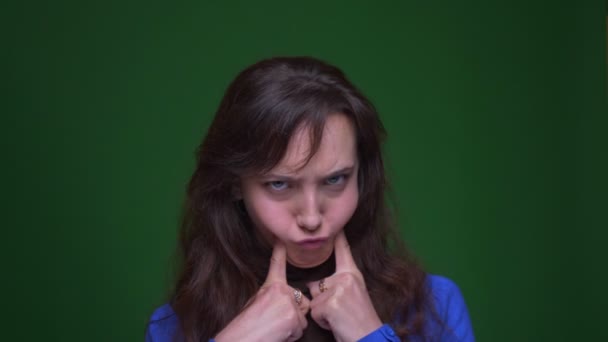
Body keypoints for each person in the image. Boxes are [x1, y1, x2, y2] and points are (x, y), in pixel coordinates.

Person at [145, 56, 475, 342]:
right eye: (279, 185)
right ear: (234, 185)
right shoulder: (174, 326)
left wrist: (368, 333)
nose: (312, 217)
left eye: (335, 179)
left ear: (361, 175)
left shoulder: (434, 305)